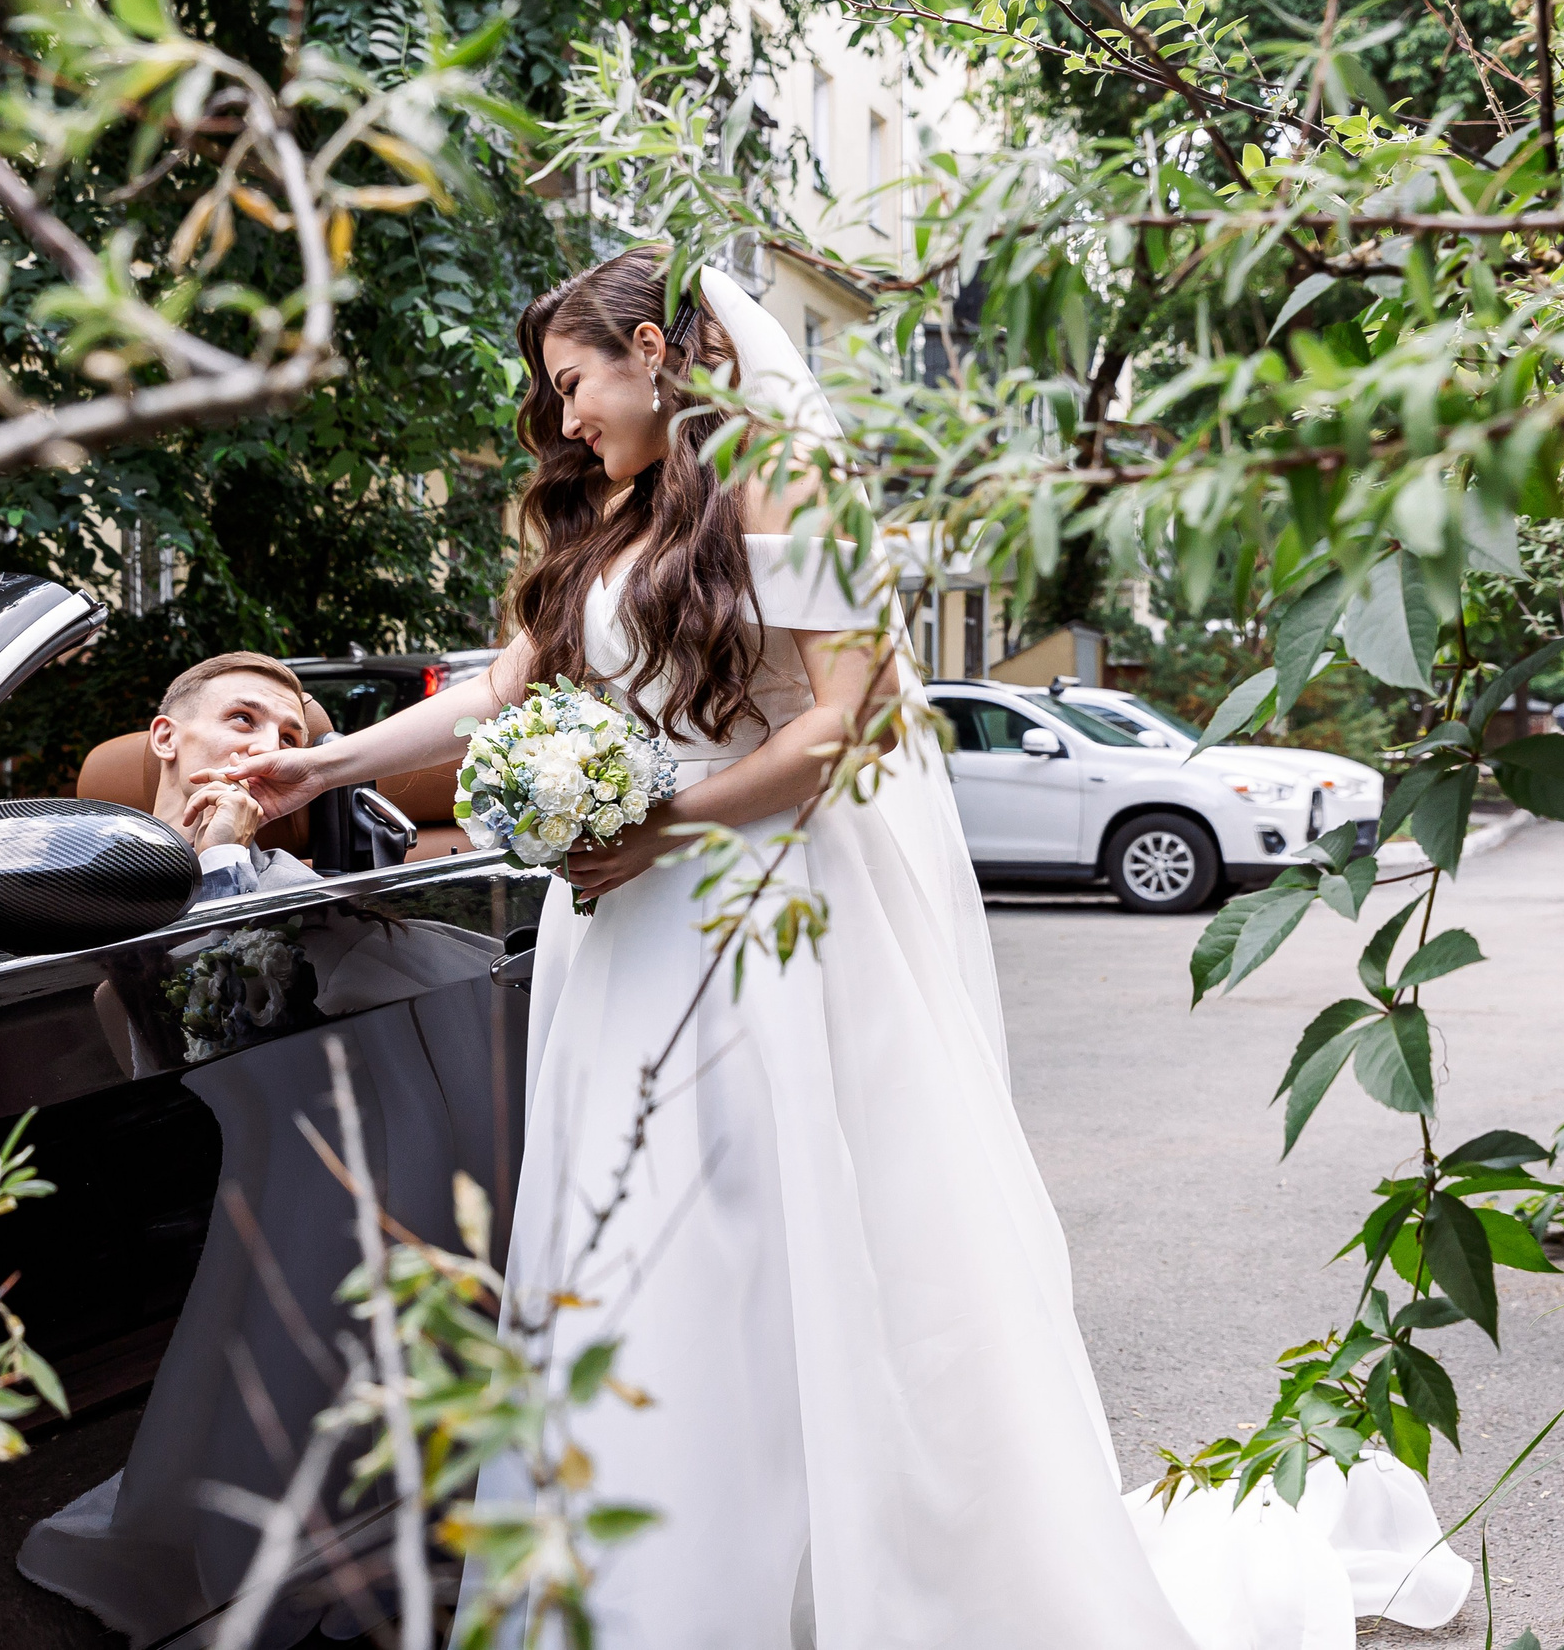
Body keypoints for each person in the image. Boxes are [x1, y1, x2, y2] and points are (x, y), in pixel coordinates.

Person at [212, 248, 1467, 1648]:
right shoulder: (598, 520)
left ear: (648, 348)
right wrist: (320, 769)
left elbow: (850, 721)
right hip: (617, 943)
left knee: (764, 1254)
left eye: (575, 383)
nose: (563, 419)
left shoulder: (776, 477)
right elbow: (494, 693)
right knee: (630, 1267)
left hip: (752, 930)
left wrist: (663, 816)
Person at [148, 651, 324, 903]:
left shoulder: (300, 894)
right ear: (166, 738)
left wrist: (223, 858)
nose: (270, 749)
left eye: (287, 740)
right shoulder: (95, 866)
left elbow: (232, 944)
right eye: (243, 718)